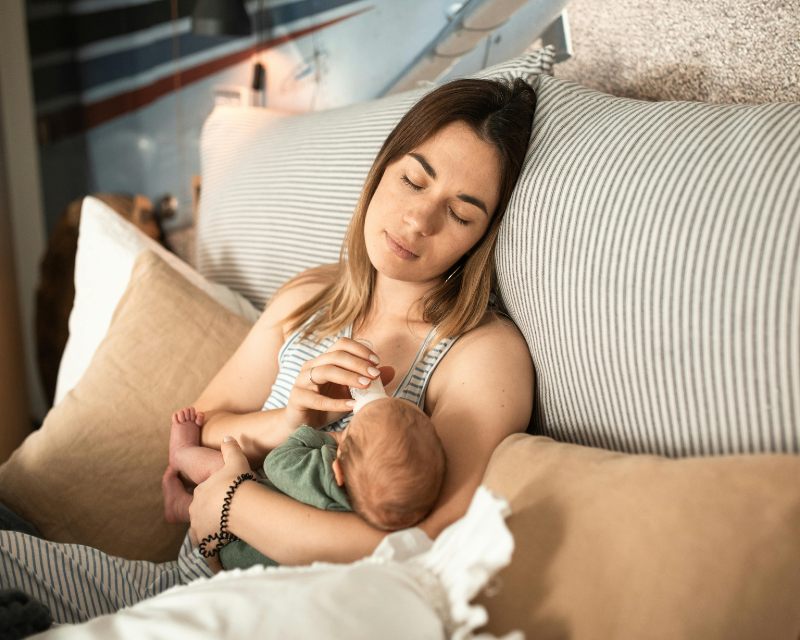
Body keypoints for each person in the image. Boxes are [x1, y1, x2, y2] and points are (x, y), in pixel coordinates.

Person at [0, 76, 536, 624]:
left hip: (267, 610)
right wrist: (289, 421)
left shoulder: (480, 354)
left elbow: (425, 542)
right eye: (413, 180)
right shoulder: (310, 298)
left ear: (483, 236)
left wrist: (232, 501)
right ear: (382, 169)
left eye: (461, 214)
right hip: (173, 586)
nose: (419, 220)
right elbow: (199, 427)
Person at [162, 397, 446, 567]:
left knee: (225, 469)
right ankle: (181, 506)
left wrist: (327, 438)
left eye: (348, 431)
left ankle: (181, 453)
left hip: (238, 547)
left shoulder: (322, 476)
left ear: (338, 471)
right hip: (255, 563)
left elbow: (277, 463)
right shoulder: (373, 513)